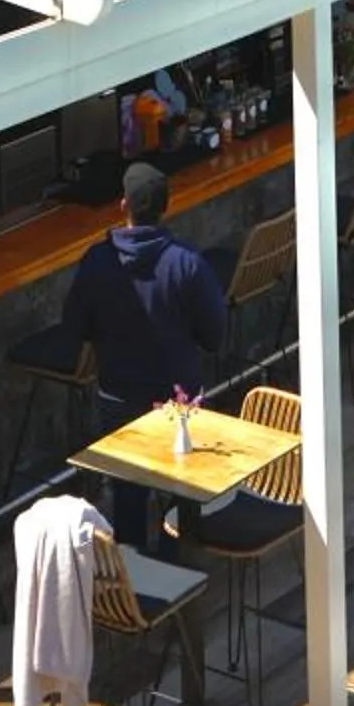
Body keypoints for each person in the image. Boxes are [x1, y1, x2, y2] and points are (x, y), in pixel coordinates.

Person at [56, 162, 227, 552]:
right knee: (184, 483)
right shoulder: (187, 264)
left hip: (118, 393)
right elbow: (214, 334)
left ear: (123, 205)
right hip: (178, 400)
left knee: (127, 492)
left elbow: (75, 325)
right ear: (166, 207)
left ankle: (134, 575)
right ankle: (179, 561)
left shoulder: (98, 262)